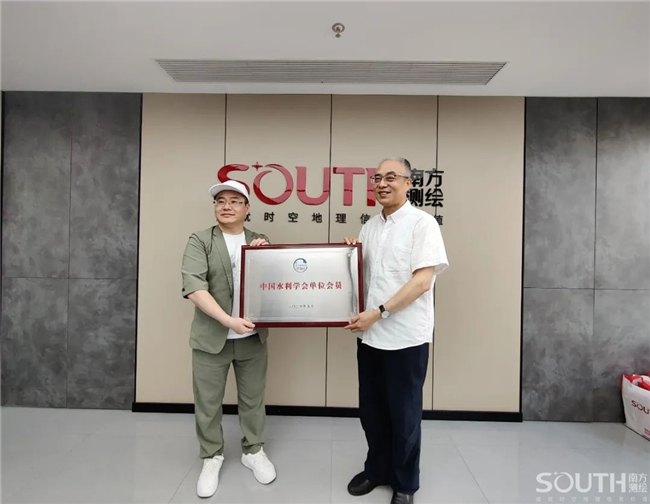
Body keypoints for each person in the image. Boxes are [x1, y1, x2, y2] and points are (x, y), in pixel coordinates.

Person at [344, 157, 449, 504]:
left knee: (404, 416)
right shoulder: (370, 227)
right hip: (370, 337)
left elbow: (422, 282)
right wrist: (349, 255)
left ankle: (405, 483)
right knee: (372, 412)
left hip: (406, 338)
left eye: (391, 177)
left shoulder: (423, 224)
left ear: (408, 183)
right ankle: (377, 470)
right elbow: (363, 277)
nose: (382, 184)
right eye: (377, 178)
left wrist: (379, 313)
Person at [181, 180, 277, 499]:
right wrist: (228, 321)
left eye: (235, 201)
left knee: (253, 399)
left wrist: (268, 258)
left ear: (247, 208)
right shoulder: (200, 240)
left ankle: (253, 451)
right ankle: (212, 456)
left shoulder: (259, 241)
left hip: (252, 339)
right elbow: (194, 288)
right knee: (208, 403)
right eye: (220, 200)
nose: (226, 206)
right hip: (212, 338)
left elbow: (277, 287)